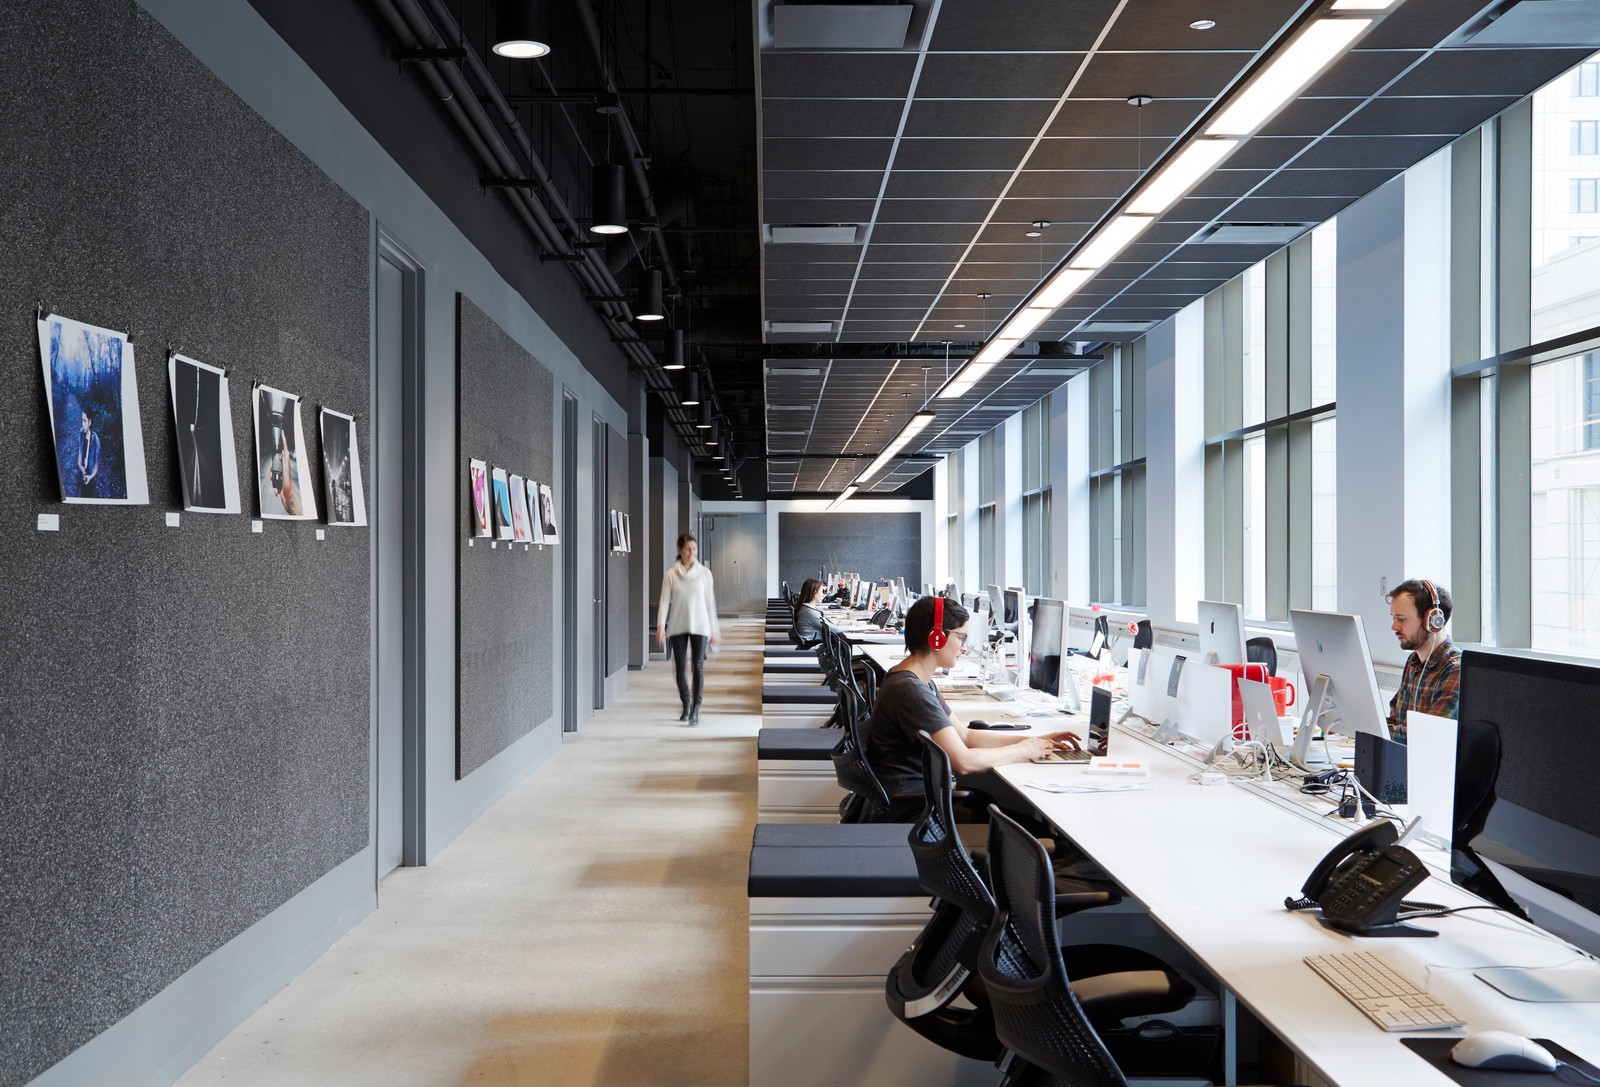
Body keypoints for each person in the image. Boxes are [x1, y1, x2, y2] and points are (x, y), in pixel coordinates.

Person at [864, 596, 1080, 821]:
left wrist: (1035, 741)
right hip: (915, 810)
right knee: (1027, 824)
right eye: (961, 637)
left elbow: (965, 736)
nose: (964, 647)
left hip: (918, 799)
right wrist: (1022, 751)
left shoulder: (917, 680)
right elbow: (964, 762)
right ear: (936, 638)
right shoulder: (911, 691)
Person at [656, 533, 720, 724]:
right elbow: (664, 602)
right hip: (678, 624)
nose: (691, 552)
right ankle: (686, 704)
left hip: (700, 625)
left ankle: (696, 708)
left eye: (694, 548)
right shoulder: (671, 574)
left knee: (697, 666)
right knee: (680, 668)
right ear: (680, 550)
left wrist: (714, 630)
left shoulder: (705, 573)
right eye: (687, 549)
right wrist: (660, 626)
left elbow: (710, 603)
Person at [1386, 578, 1460, 742]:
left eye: (1401, 619)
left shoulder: (1456, 670)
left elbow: (1429, 736)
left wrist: (1370, 728)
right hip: (1403, 756)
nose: (1394, 627)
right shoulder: (1413, 661)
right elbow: (1396, 721)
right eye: (1393, 617)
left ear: (1433, 621)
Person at [791, 578, 827, 648]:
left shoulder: (804, 608)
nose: (823, 595)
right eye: (822, 592)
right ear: (815, 593)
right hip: (813, 644)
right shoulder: (810, 613)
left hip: (810, 641)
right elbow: (832, 628)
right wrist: (848, 628)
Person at [77, 408, 100, 498]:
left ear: (90, 422)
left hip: (91, 477)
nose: (82, 424)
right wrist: (82, 470)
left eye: (84, 421)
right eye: (82, 420)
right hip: (82, 474)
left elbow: (96, 466)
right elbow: (79, 458)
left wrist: (90, 477)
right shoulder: (81, 433)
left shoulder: (95, 441)